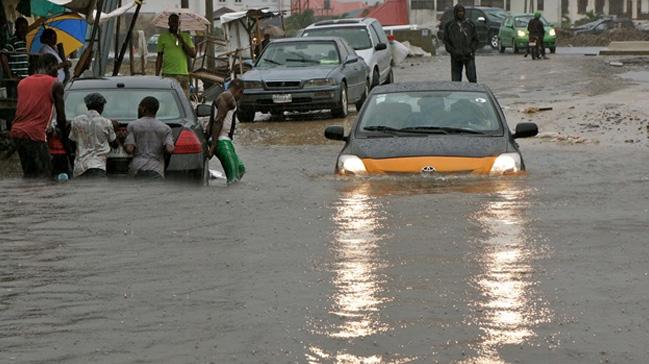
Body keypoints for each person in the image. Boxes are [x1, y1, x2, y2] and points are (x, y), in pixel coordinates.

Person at [9, 54, 67, 178]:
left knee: (29, 174)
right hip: (35, 134)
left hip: (17, 132)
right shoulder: (55, 84)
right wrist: (65, 137)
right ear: (49, 66)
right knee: (44, 175)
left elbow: (29, 109)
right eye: (56, 69)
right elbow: (61, 119)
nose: (57, 73)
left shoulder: (22, 83)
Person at [69, 93, 119, 178]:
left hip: (80, 168)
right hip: (98, 166)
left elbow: (71, 142)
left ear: (87, 105)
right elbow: (114, 144)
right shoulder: (106, 122)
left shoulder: (75, 121)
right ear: (101, 107)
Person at [124, 96, 174, 179]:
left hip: (137, 169)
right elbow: (170, 149)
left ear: (144, 109)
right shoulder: (165, 128)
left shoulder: (133, 125)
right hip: (156, 169)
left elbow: (129, 149)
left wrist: (122, 141)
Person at [207, 79, 245, 184]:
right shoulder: (227, 97)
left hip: (224, 140)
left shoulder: (225, 96)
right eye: (241, 94)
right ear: (240, 91)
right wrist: (213, 146)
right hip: (220, 141)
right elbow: (218, 120)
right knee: (234, 179)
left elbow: (211, 122)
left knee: (240, 168)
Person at [155, 13, 196, 97]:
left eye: (176, 22)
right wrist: (157, 75)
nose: (174, 24)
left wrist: (182, 41)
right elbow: (159, 57)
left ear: (179, 23)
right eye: (172, 22)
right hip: (168, 74)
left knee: (184, 99)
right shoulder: (162, 37)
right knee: (168, 98)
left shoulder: (186, 36)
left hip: (183, 74)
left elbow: (193, 54)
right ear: (168, 23)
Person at [443, 4, 479, 83]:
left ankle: (473, 94)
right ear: (455, 13)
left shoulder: (470, 24)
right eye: (458, 11)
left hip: (469, 56)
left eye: (462, 11)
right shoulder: (449, 25)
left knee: (472, 78)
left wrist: (470, 50)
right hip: (456, 56)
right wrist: (453, 51)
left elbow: (476, 40)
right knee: (456, 80)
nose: (460, 13)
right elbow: (446, 41)